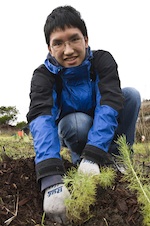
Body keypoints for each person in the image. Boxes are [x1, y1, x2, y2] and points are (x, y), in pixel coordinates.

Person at [26, 5, 141, 224]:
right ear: (49, 48)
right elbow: (42, 120)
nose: (68, 50)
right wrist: (51, 179)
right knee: (75, 122)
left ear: (86, 40)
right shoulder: (43, 75)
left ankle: (117, 160)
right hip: (74, 127)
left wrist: (94, 154)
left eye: (74, 39)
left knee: (131, 95)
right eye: (58, 43)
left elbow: (109, 104)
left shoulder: (102, 61)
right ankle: (80, 162)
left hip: (101, 126)